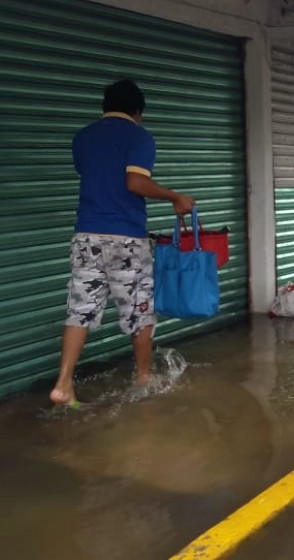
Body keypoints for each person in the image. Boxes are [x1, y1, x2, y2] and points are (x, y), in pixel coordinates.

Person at [49, 79, 195, 408]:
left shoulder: (83, 137)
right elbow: (135, 182)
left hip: (86, 236)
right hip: (126, 238)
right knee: (139, 311)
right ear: (138, 111)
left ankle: (63, 383)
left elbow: (92, 175)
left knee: (80, 310)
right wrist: (175, 197)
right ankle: (143, 377)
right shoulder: (138, 137)